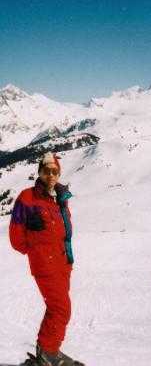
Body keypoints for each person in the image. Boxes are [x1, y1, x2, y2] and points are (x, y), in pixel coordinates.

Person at [9, 152, 80, 366]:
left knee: (57, 308)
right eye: (47, 171)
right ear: (40, 172)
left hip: (62, 263)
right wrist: (36, 249)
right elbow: (16, 238)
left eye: (55, 171)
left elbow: (64, 232)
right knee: (61, 308)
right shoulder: (27, 198)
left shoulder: (60, 199)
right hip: (44, 263)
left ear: (59, 174)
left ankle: (48, 350)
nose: (51, 175)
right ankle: (47, 353)